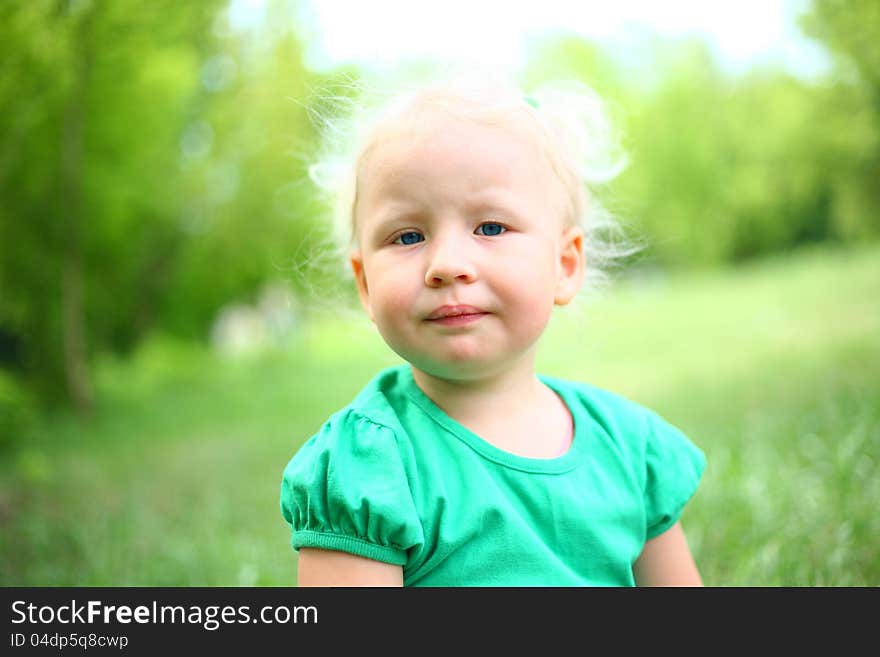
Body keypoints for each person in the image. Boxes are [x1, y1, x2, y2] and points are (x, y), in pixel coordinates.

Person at [280, 72, 706, 586]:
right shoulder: (369, 466)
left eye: (490, 228)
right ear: (366, 282)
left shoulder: (630, 447)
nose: (448, 264)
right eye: (408, 235)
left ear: (565, 265)